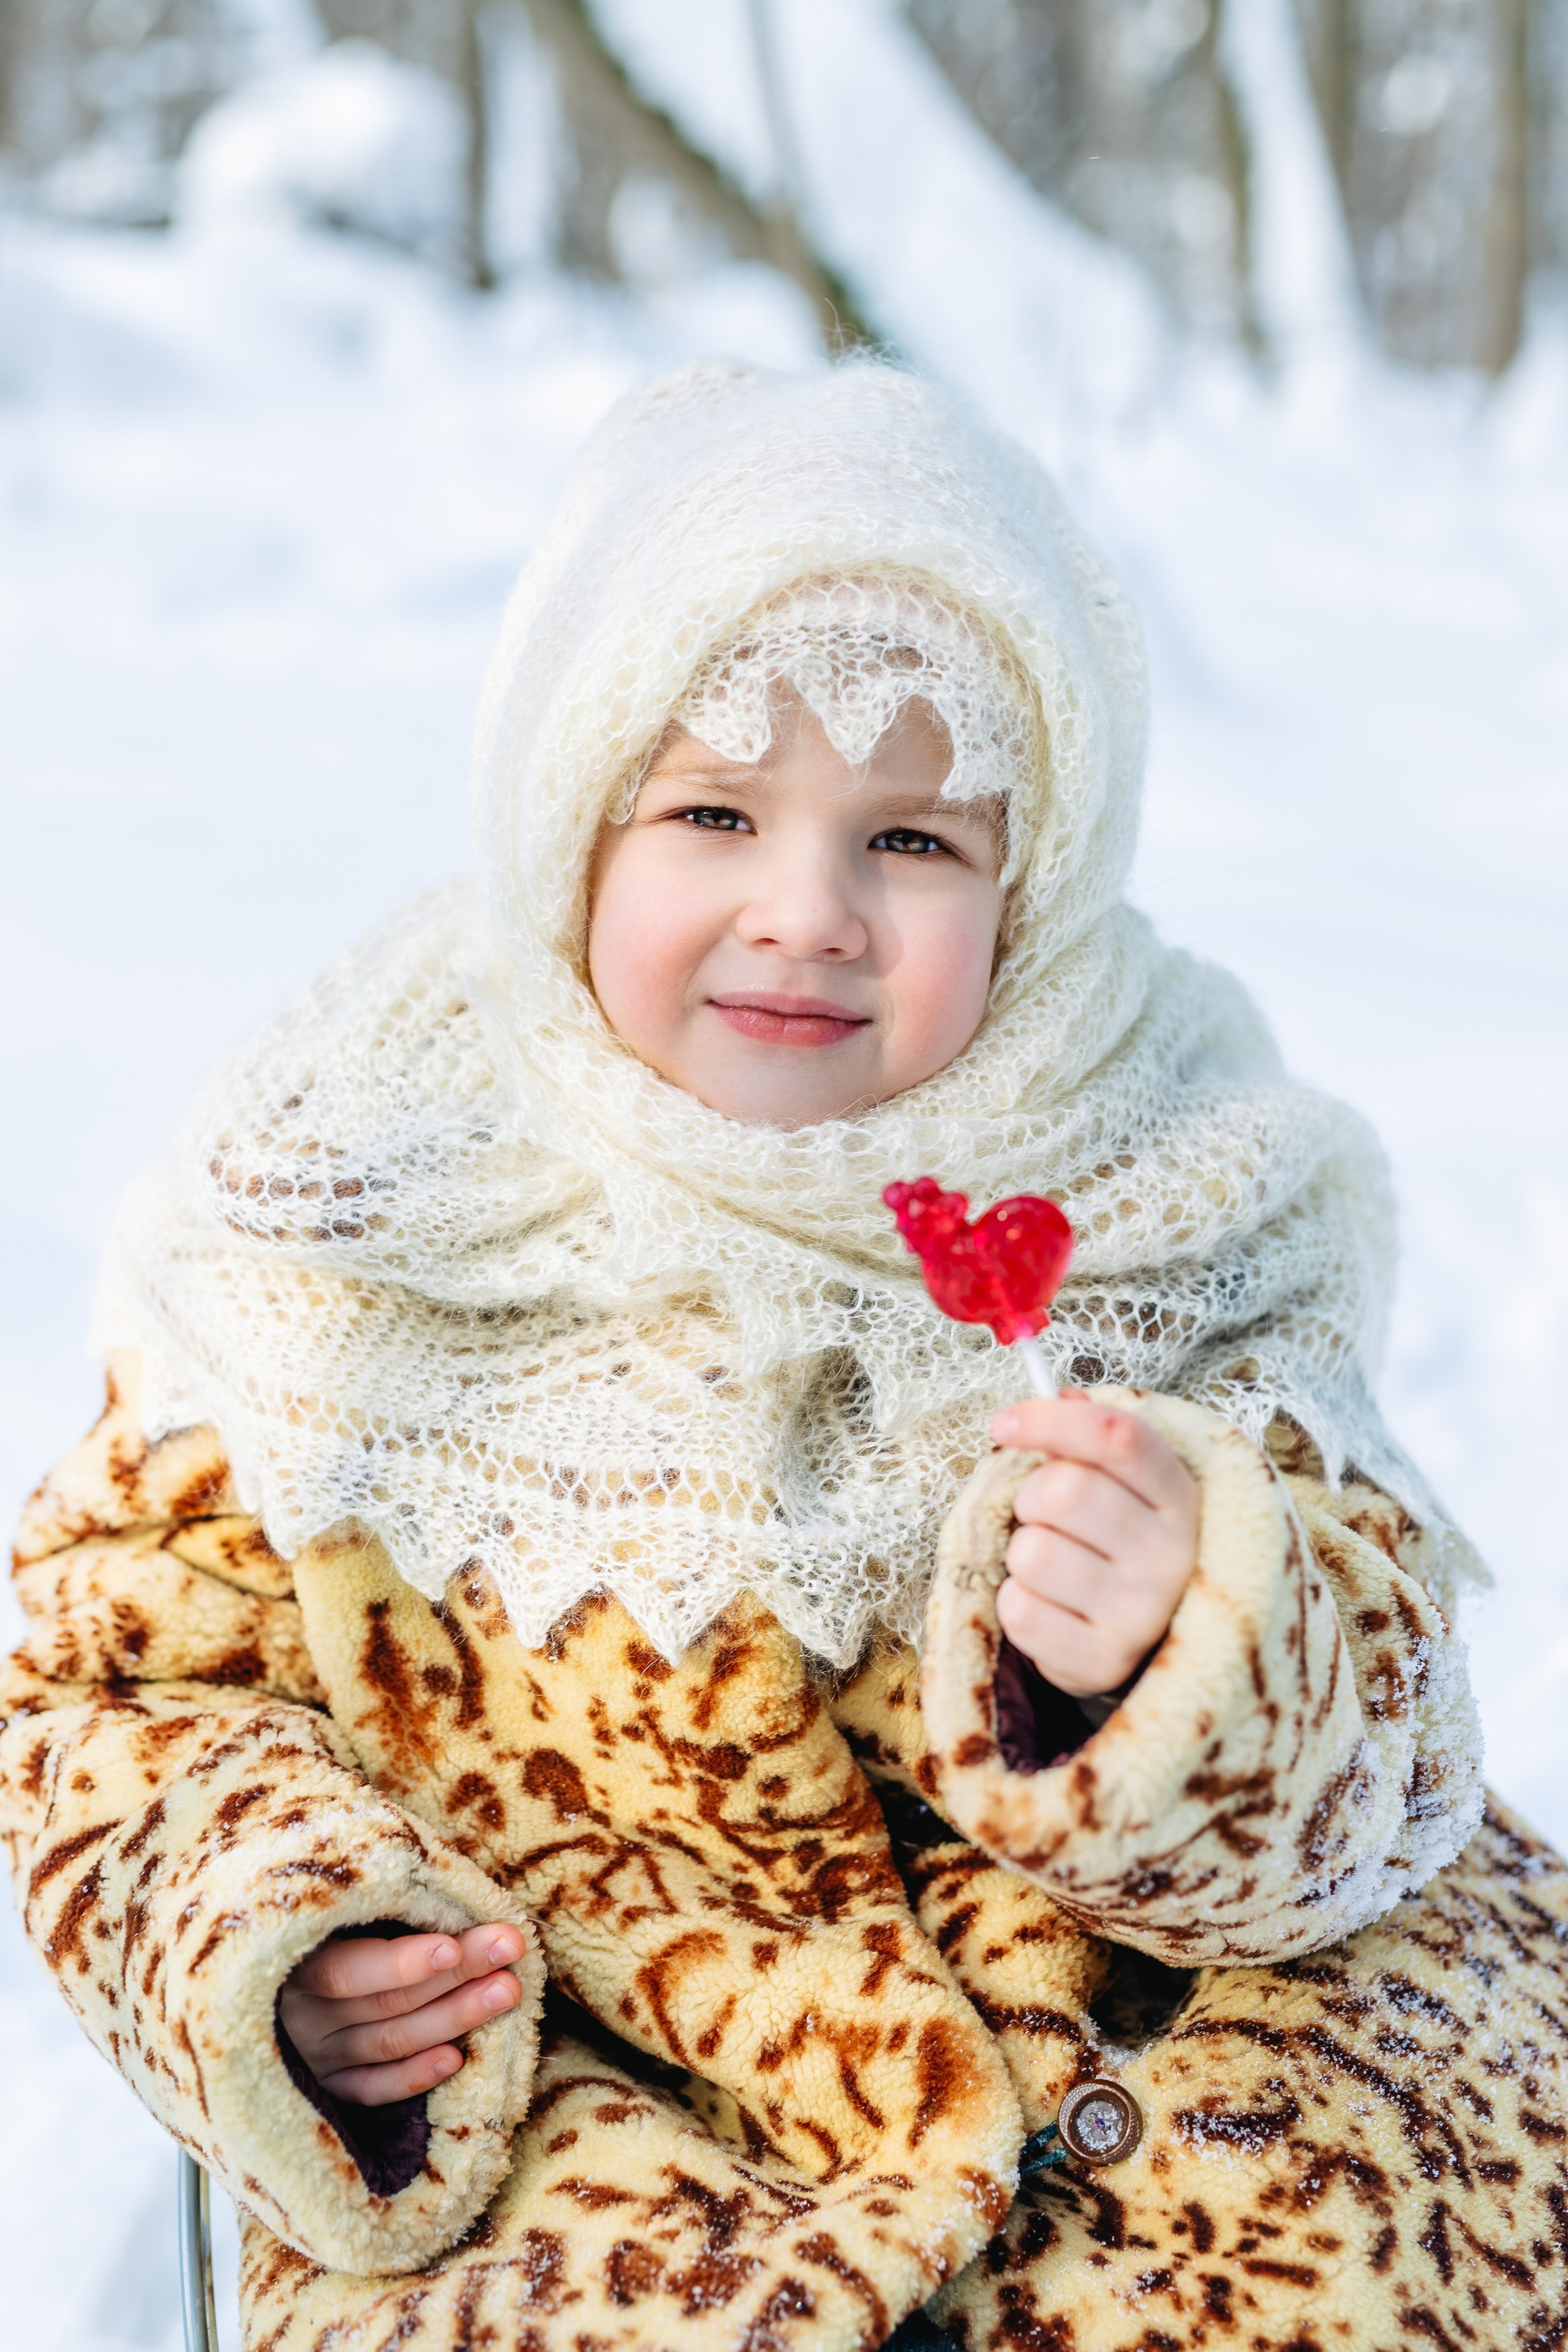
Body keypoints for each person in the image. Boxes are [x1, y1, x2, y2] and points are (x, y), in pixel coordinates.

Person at [4, 360, 1566, 2352]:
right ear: (570, 823)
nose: (806, 913)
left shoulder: (1169, 1176)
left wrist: (1192, 1653)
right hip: (604, 2107)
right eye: (716, 811)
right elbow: (113, 1688)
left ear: (1037, 869)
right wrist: (285, 1940)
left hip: (1179, 2059)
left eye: (913, 841)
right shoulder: (350, 1198)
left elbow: (1396, 1736)